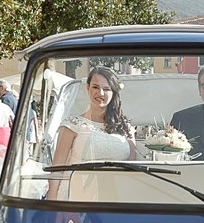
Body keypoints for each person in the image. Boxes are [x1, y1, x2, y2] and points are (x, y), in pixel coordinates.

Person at [46, 66, 136, 201]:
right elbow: (56, 169)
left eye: (106, 89)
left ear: (113, 92)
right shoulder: (72, 124)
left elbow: (133, 168)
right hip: (76, 197)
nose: (100, 93)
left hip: (116, 198)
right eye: (95, 87)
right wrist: (53, 204)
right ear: (87, 88)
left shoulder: (125, 128)